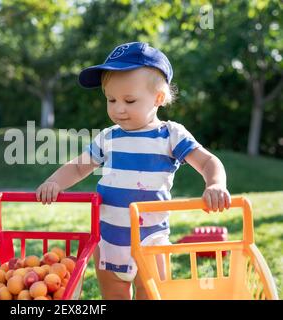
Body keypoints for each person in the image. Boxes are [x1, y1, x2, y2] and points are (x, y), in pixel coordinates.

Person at [35, 41, 231, 299]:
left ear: (158, 98)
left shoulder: (170, 135)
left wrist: (215, 184)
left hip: (151, 241)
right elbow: (79, 166)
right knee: (114, 295)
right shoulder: (108, 137)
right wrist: (54, 182)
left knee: (149, 294)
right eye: (111, 99)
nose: (118, 108)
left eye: (129, 100)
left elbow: (207, 162)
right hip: (109, 239)